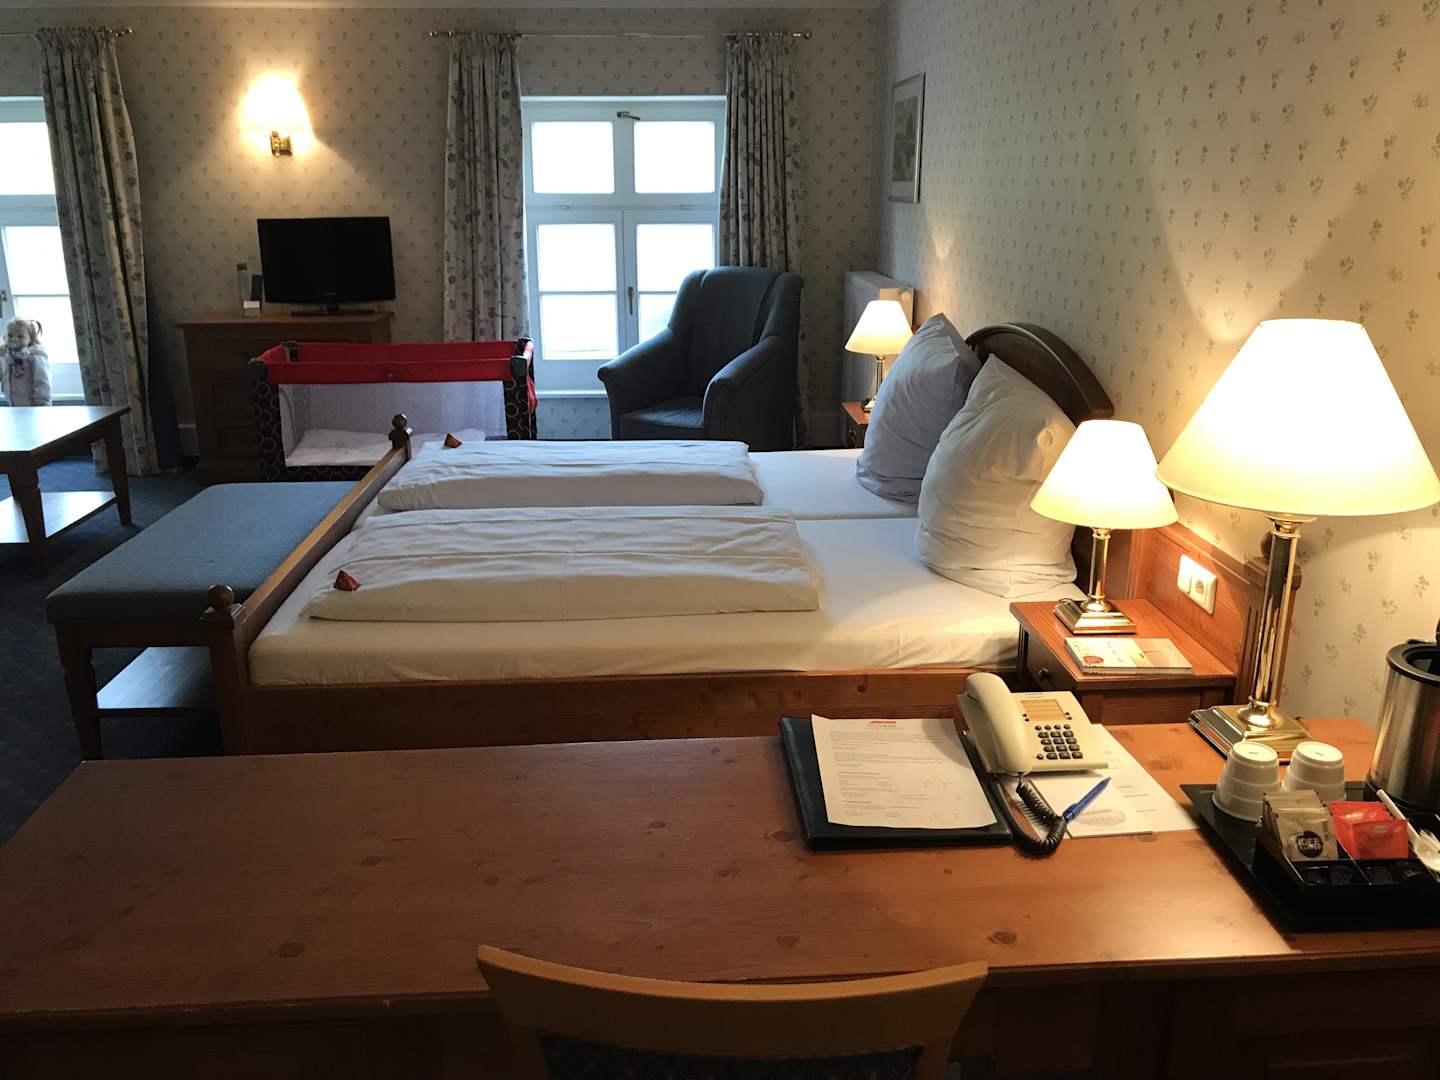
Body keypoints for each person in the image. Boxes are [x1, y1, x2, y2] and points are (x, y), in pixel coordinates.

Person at [0, 317, 50, 406]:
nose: (14, 339)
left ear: (31, 338)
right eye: (10, 335)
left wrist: (41, 404)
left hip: (34, 405)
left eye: (20, 336)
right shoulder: (6, 355)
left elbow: (42, 381)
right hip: (14, 404)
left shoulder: (35, 356)